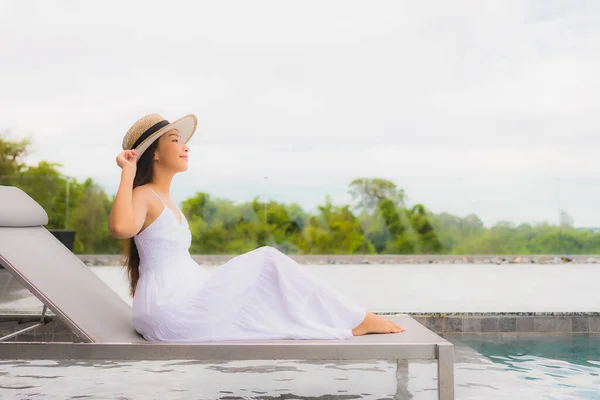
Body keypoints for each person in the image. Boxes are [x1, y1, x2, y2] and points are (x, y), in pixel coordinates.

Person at [108, 112, 405, 341]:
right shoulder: (143, 193)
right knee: (267, 259)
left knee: (264, 279)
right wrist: (128, 171)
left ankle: (347, 318)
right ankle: (356, 319)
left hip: (181, 299)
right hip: (168, 311)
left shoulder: (165, 199)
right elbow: (122, 227)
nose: (185, 147)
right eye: (174, 140)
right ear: (155, 154)